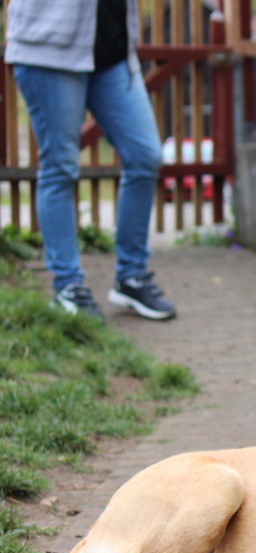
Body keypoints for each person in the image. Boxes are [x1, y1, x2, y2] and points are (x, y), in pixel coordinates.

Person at [5, 0, 175, 322]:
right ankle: (67, 284)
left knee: (144, 156)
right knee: (60, 165)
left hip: (111, 52)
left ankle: (131, 276)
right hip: (48, 47)